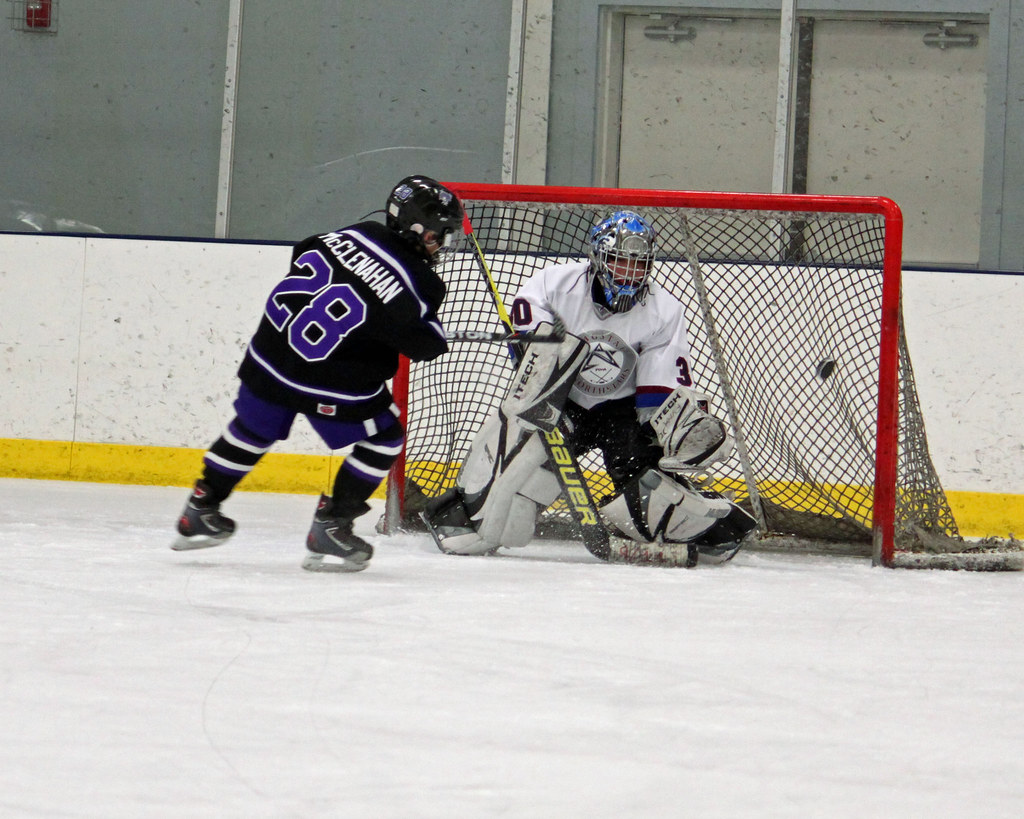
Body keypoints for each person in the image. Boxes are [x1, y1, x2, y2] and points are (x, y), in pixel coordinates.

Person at [423, 210, 755, 564]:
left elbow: (657, 394)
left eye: (638, 264)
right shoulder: (554, 286)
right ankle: (463, 511)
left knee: (651, 495)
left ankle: (709, 520)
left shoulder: (664, 310)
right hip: (561, 404)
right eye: (618, 261)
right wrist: (538, 352)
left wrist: (663, 438)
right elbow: (534, 359)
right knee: (516, 482)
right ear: (598, 257)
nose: (629, 274)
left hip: (622, 413)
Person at [172, 175, 464, 572]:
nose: (440, 243)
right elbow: (425, 346)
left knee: (252, 429)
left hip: (270, 352)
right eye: (437, 234)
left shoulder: (354, 232)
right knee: (385, 439)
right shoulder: (421, 281)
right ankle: (333, 524)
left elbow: (303, 253)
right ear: (414, 229)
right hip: (327, 376)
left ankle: (199, 509)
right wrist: (433, 333)